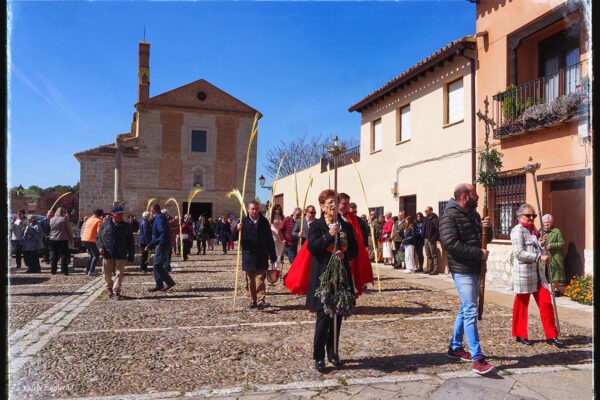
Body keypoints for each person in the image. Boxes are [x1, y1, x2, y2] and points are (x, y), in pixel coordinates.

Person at [439, 183, 493, 375]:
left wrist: (488, 228)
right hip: (462, 269)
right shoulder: (449, 216)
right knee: (471, 309)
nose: (477, 197)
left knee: (465, 307)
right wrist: (478, 253)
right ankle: (477, 357)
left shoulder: (475, 215)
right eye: (474, 194)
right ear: (464, 196)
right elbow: (450, 243)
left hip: (475, 267)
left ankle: (455, 347)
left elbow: (484, 238)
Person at [306, 189, 358, 372]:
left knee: (337, 317)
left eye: (335, 202)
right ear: (321, 206)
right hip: (323, 279)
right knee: (323, 318)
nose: (333, 205)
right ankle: (319, 356)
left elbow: (355, 250)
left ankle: (333, 352)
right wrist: (328, 235)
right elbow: (313, 247)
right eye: (329, 202)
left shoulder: (346, 226)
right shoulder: (316, 226)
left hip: (341, 277)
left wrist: (344, 254)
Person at [510, 204, 563, 347]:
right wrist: (539, 257)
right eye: (529, 215)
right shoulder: (517, 231)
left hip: (538, 274)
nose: (532, 218)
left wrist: (540, 244)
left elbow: (534, 247)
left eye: (534, 215)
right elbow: (519, 253)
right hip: (524, 275)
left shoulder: (533, 230)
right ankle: (520, 334)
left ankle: (551, 335)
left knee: (546, 303)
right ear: (520, 216)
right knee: (522, 305)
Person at [237, 201, 277, 309]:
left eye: (256, 209)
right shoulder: (242, 221)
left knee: (259, 278)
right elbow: (233, 238)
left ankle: (260, 301)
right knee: (251, 280)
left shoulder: (264, 221)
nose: (255, 211)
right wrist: (237, 230)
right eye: (253, 209)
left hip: (261, 254)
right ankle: (253, 300)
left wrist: (273, 256)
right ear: (248, 210)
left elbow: (269, 240)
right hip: (248, 254)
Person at [96, 205, 135, 301]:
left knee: (119, 274)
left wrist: (131, 256)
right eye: (119, 214)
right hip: (107, 253)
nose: (121, 216)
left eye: (122, 214)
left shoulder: (126, 226)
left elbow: (131, 242)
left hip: (121, 253)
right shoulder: (105, 225)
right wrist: (100, 246)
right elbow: (99, 237)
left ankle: (116, 291)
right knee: (106, 274)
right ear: (113, 215)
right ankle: (109, 287)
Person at [145, 203, 177, 292]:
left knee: (157, 264)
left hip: (162, 244)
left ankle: (169, 282)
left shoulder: (159, 218)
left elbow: (162, 232)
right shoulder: (159, 217)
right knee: (156, 265)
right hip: (162, 243)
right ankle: (159, 285)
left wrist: (154, 244)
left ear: (152, 211)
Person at [542, 214, 566, 297]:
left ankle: (556, 289)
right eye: (545, 223)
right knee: (543, 271)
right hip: (544, 255)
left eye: (548, 222)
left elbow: (562, 243)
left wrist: (552, 245)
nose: (546, 224)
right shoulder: (541, 231)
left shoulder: (557, 231)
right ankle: (544, 289)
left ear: (552, 222)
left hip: (555, 255)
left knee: (555, 272)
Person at [49, 207, 74, 275]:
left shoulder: (51, 219)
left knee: (54, 255)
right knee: (64, 255)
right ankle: (64, 270)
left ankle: (53, 270)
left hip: (53, 238)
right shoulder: (64, 219)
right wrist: (71, 239)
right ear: (63, 212)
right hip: (62, 239)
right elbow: (69, 230)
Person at [81, 209, 104, 276]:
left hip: (84, 238)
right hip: (91, 239)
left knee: (92, 255)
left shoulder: (89, 219)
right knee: (96, 255)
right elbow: (99, 232)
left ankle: (88, 270)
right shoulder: (99, 221)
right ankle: (91, 270)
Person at [423, 206, 440, 275]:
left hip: (431, 239)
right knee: (428, 255)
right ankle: (430, 268)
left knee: (434, 254)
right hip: (426, 239)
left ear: (431, 211)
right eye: (425, 211)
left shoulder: (435, 219)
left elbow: (437, 229)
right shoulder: (426, 219)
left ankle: (435, 269)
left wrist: (435, 238)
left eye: (427, 211)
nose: (425, 212)